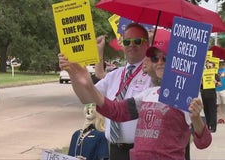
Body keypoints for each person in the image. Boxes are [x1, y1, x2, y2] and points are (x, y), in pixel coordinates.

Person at [59, 29, 212, 160]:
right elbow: (116, 111)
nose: (159, 62)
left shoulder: (188, 95)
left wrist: (196, 118)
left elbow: (203, 142)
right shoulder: (149, 94)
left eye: (165, 57)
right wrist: (87, 84)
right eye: (154, 57)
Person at [82, 23, 152, 160]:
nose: (132, 45)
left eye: (137, 41)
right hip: (115, 149)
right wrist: (76, 71)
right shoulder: (114, 75)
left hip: (141, 151)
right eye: (127, 41)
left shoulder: (152, 75)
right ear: (122, 45)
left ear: (147, 44)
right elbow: (87, 95)